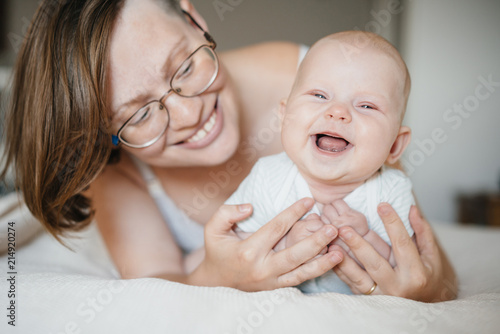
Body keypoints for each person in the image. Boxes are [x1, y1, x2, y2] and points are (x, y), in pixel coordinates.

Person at [1, 0, 457, 300]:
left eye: (184, 66)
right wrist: (215, 278)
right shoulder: (120, 171)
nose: (187, 114)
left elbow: (415, 245)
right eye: (138, 115)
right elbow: (155, 285)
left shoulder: (325, 86)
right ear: (105, 134)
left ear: (194, 18)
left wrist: (429, 284)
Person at [227, 31, 414, 294]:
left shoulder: (391, 192)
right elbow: (237, 250)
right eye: (320, 96)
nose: (338, 112)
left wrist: (366, 241)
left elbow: (407, 269)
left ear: (395, 144)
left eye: (366, 106)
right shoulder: (267, 177)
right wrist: (285, 246)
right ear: (284, 116)